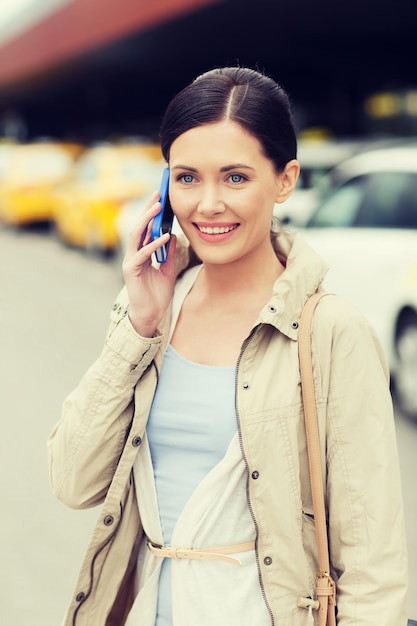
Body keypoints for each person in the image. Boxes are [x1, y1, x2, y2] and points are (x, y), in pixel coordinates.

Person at [47, 67, 408, 626]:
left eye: (235, 178)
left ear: (284, 181)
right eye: (188, 178)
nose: (208, 204)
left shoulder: (331, 331)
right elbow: (73, 480)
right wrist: (138, 324)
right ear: (166, 187)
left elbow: (372, 556)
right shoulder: (150, 315)